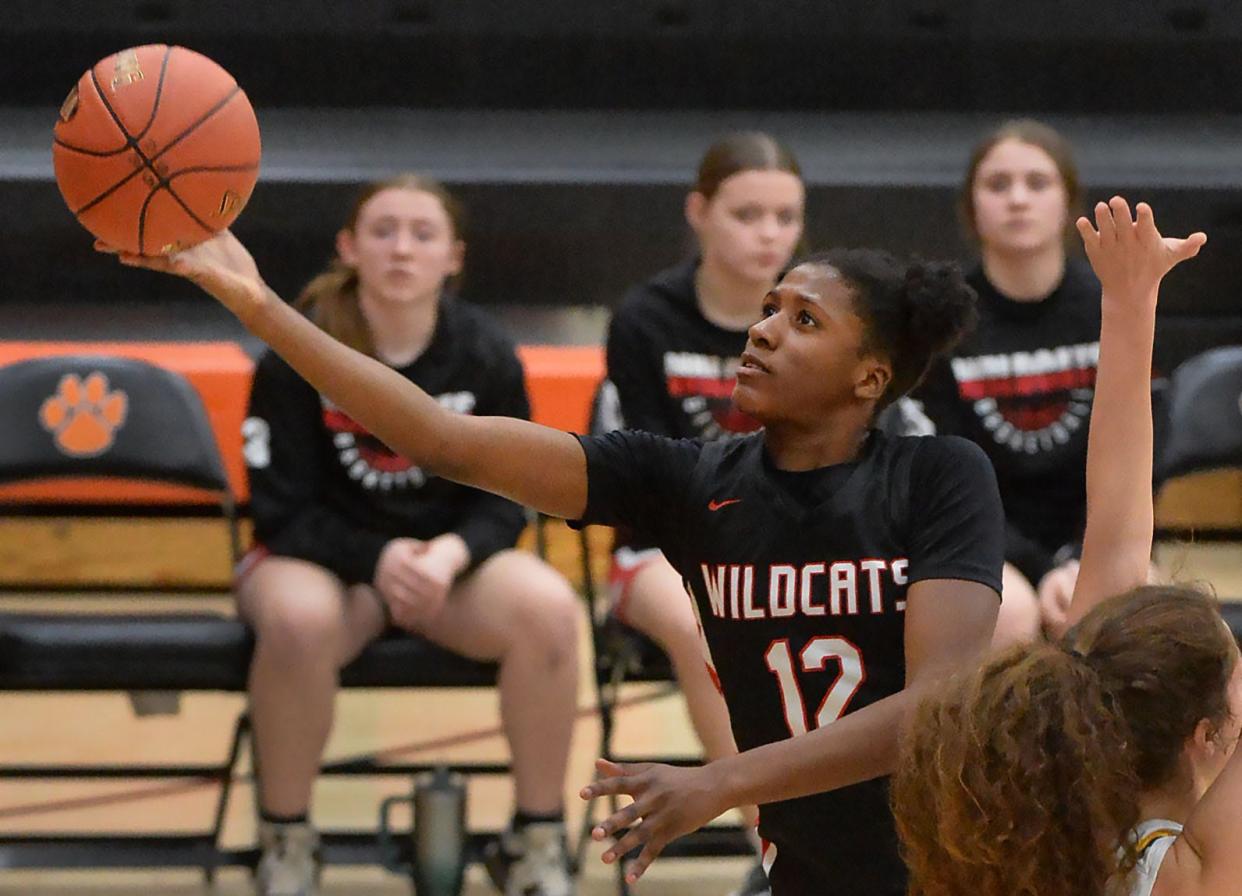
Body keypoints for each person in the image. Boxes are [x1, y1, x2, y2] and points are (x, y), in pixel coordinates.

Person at [98, 230, 1004, 893]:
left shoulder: (938, 475)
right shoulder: (683, 481)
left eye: (803, 319)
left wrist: (721, 780)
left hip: (950, 867)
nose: (763, 329)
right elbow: (440, 438)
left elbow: (933, 710)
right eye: (768, 307)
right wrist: (260, 306)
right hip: (803, 872)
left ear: (870, 378)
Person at [229, 174, 582, 896]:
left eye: (422, 234)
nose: (401, 249)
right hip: (321, 563)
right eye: (383, 231)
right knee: (298, 620)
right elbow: (279, 510)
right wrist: (377, 559)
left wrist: (449, 555)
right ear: (349, 248)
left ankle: (537, 842)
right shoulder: (300, 348)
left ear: (453, 256)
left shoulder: (484, 354)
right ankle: (287, 841)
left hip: (444, 570)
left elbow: (514, 496)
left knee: (549, 607)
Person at [891, 198, 1235, 896]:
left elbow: (1114, 524)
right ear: (1207, 738)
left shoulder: (1032, 847)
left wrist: (1129, 302)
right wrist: (1131, 301)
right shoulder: (1191, 872)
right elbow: (1115, 522)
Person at [597, 131, 804, 896]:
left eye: (785, 217)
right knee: (700, 617)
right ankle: (773, 836)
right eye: (748, 213)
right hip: (659, 553)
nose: (769, 234)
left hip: (787, 542)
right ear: (700, 213)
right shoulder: (647, 319)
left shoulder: (816, 316)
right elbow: (641, 479)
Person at [901, 119, 1100, 645]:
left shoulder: (1111, 303)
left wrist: (1080, 557)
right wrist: (1038, 566)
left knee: (1136, 614)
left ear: (1068, 201)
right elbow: (942, 468)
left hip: (1093, 538)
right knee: (1007, 616)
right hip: (977, 535)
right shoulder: (941, 318)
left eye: (1037, 183)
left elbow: (1136, 451)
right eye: (997, 185)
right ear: (971, 207)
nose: (1018, 199)